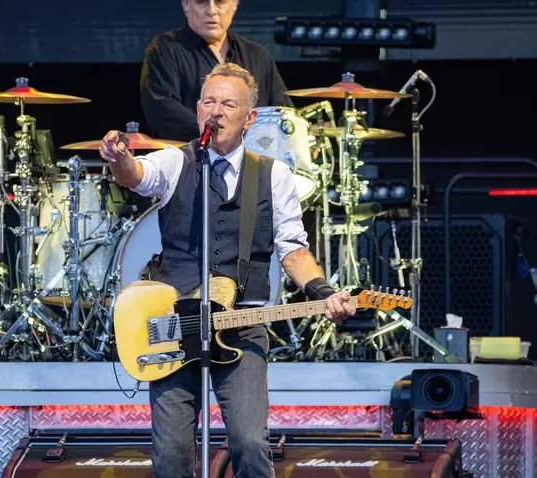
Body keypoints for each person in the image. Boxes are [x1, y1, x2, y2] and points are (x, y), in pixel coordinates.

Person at [100, 63, 355, 478]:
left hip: (243, 323)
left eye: (228, 104)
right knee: (172, 456)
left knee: (250, 445)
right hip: (176, 324)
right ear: (198, 109)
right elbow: (137, 176)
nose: (215, 111)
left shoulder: (274, 175)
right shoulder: (176, 161)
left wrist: (324, 293)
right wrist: (119, 159)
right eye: (208, 102)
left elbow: (293, 251)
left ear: (249, 118)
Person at [140, 0, 293, 141]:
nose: (211, 11)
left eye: (220, 2)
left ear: (234, 5)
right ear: (186, 4)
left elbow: (284, 113)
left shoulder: (258, 55)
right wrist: (217, 133)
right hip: (190, 156)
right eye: (201, 2)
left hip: (251, 158)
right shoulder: (164, 49)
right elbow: (161, 109)